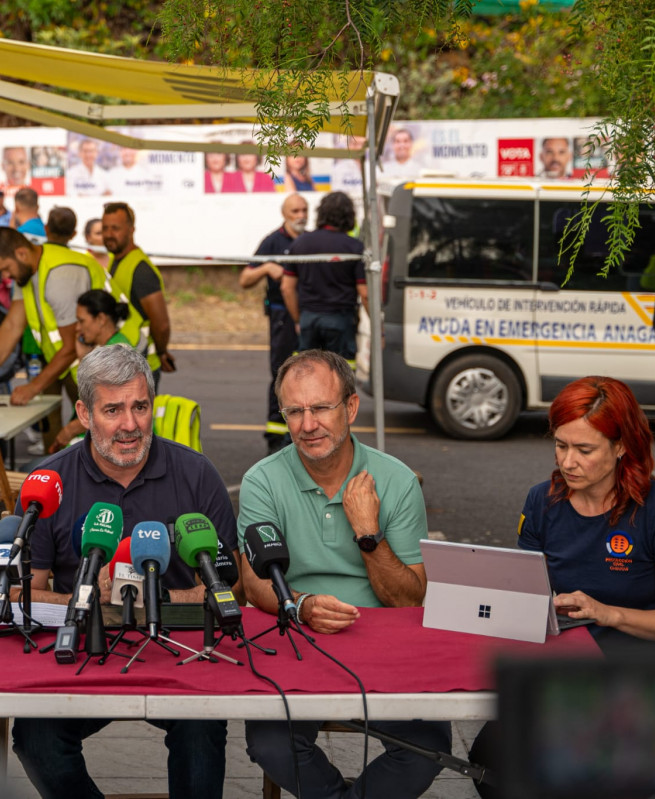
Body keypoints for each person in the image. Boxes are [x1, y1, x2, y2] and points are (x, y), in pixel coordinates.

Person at [12, 344, 238, 799]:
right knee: (34, 736)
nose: (130, 425)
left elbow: (231, 591)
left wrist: (152, 600)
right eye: (112, 410)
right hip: (81, 651)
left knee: (202, 731)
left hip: (177, 651)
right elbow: (22, 597)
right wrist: (88, 597)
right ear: (83, 412)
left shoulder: (197, 475)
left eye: (140, 406)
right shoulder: (49, 483)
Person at [469, 376, 655, 799]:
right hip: (562, 673)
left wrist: (608, 613)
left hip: (642, 682)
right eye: (561, 445)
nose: (568, 462)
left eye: (584, 449)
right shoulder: (542, 501)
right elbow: (526, 592)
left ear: (621, 447)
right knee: (492, 756)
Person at [238, 349, 451, 799]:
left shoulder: (395, 481)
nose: (308, 424)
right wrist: (301, 605)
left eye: (320, 408)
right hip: (297, 637)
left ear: (351, 408)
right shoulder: (263, 480)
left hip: (386, 642)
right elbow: (255, 582)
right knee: (269, 741)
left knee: (429, 746)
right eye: (294, 411)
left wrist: (368, 533)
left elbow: (410, 599)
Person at [0, 226, 109, 407]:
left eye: (6, 268)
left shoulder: (59, 275)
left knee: (92, 426)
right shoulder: (26, 273)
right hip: (70, 360)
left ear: (21, 253)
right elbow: (12, 325)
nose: (6, 276)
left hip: (107, 359)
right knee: (54, 425)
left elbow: (70, 347)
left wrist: (33, 387)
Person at [241, 193, 307, 452]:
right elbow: (245, 279)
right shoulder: (273, 242)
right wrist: (266, 268)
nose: (301, 216)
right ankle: (275, 437)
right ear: (285, 214)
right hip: (283, 319)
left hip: (307, 318)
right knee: (281, 373)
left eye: (304, 210)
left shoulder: (310, 240)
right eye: (295, 211)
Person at [281, 191, 365, 361]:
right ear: (349, 216)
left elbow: (286, 288)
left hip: (309, 319)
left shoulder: (300, 243)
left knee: (307, 373)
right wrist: (379, 328)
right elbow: (365, 293)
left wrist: (299, 320)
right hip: (340, 320)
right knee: (341, 375)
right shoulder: (354, 247)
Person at [101, 201, 176, 384]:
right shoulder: (116, 260)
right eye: (105, 228)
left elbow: (162, 324)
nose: (109, 234)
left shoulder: (141, 270)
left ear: (131, 230)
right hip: (126, 363)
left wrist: (161, 351)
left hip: (142, 366)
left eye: (115, 228)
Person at [49, 290, 132, 452]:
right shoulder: (107, 349)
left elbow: (109, 409)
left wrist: (70, 430)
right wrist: (84, 359)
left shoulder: (117, 354)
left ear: (101, 319)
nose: (77, 328)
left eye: (81, 321)